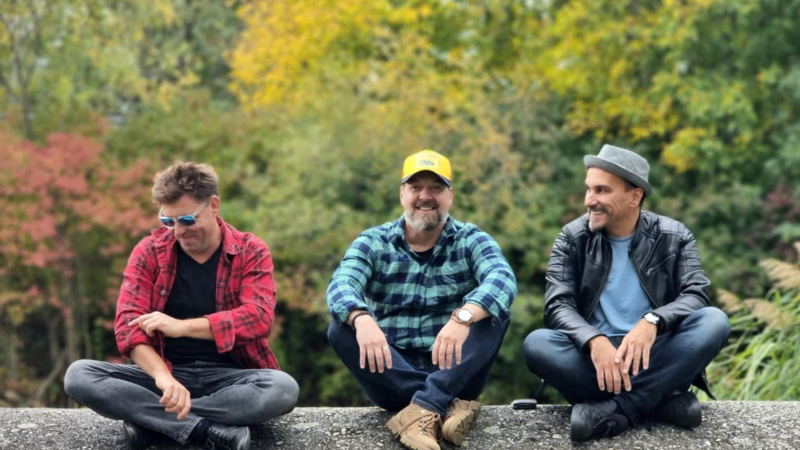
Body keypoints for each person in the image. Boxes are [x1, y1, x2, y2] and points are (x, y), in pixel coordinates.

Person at [64, 162, 298, 450]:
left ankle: (153, 422)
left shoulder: (251, 250)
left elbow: (259, 318)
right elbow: (129, 328)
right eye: (167, 221)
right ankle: (203, 429)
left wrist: (180, 327)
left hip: (230, 377)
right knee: (79, 375)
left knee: (283, 389)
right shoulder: (149, 250)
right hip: (164, 376)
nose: (177, 231)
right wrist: (163, 378)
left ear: (213, 205)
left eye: (187, 220)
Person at [523, 144, 731, 441]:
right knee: (537, 344)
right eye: (588, 189)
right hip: (595, 361)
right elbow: (557, 306)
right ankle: (661, 402)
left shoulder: (674, 235)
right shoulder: (572, 237)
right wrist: (593, 340)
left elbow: (696, 295)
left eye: (601, 191)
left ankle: (615, 412)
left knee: (714, 321)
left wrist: (653, 321)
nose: (589, 200)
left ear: (635, 196)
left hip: (655, 352)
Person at [326, 150, 517, 450]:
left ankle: (423, 409)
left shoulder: (471, 239)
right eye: (416, 187)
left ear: (450, 196)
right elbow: (341, 283)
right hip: (391, 374)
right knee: (340, 326)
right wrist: (361, 318)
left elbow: (502, 278)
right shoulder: (373, 242)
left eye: (436, 188)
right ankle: (446, 406)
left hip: (456, 369)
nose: (425, 196)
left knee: (496, 313)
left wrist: (463, 317)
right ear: (402, 194)